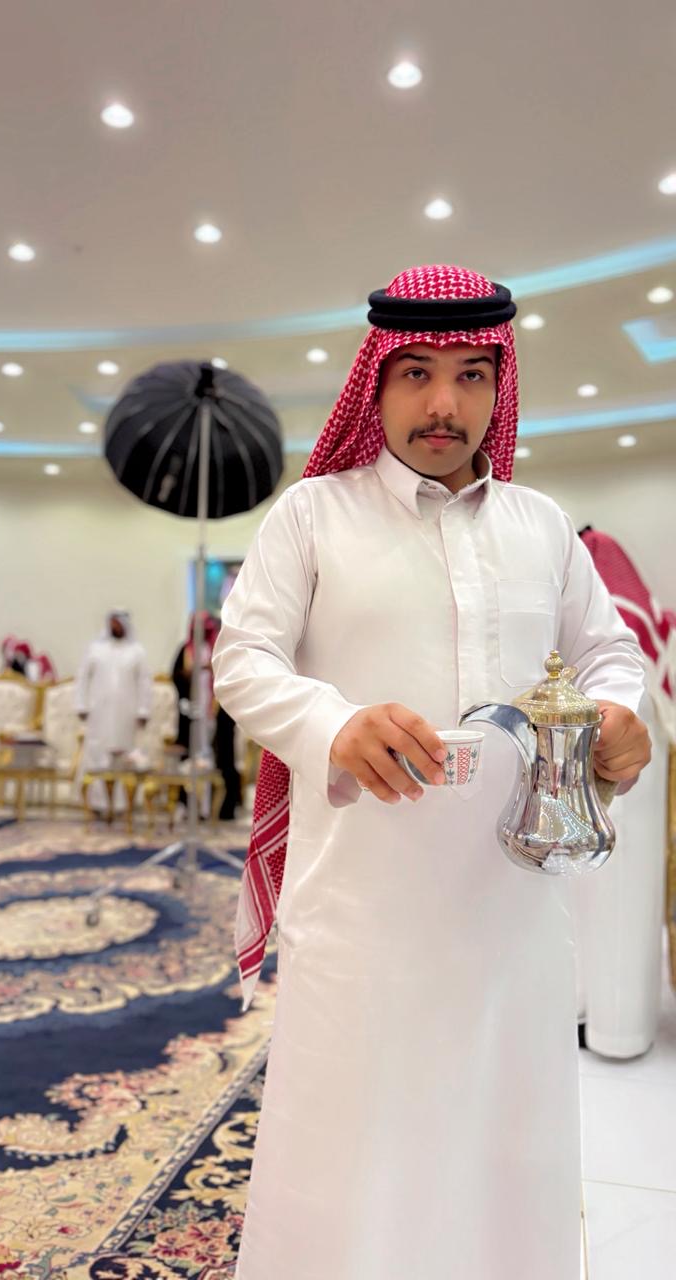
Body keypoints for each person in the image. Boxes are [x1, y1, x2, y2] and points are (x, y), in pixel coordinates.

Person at [211, 264, 651, 1280]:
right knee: (352, 1168)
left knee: (506, 1155)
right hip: (362, 914)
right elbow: (243, 659)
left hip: (513, 913)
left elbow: (609, 652)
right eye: (415, 371)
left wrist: (619, 709)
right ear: (375, 383)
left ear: (501, 386)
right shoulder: (312, 515)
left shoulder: (542, 525)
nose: (443, 402)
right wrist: (333, 721)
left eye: (469, 374)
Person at [572, 527, 675, 1058]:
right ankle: (590, 1018)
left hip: (629, 751)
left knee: (621, 896)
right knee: (582, 897)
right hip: (579, 762)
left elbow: (630, 663)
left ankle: (619, 1033)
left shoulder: (597, 557)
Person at [75, 610, 151, 812]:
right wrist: (81, 705)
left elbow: (144, 682)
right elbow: (83, 678)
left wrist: (143, 710)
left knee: (124, 756)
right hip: (99, 713)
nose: (115, 627)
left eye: (118, 623)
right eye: (112, 623)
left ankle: (122, 804)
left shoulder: (137, 651)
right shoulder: (95, 649)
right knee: (97, 755)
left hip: (126, 714)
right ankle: (96, 804)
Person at [171, 612, 242, 819]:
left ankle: (219, 808)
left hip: (216, 713)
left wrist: (209, 669)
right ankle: (189, 806)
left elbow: (231, 676)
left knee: (219, 756)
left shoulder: (218, 650)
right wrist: (187, 675)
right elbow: (175, 675)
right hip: (192, 714)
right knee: (190, 755)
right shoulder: (185, 651)